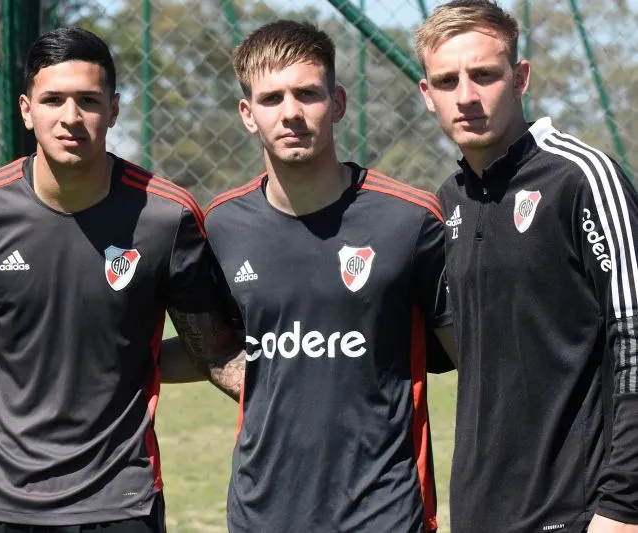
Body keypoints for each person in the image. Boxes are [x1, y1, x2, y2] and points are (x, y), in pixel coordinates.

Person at [0, 27, 234, 533]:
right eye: (53, 99)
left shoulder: (166, 217)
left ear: (114, 109)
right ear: (26, 109)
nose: (70, 117)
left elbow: (213, 352)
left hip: (121, 502)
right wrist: (0, 401)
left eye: (88, 100)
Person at [183, 19, 457, 533]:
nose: (290, 113)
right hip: (261, 513)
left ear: (337, 103)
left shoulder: (410, 220)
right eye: (271, 99)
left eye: (307, 93)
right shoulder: (221, 225)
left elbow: (474, 354)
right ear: (247, 114)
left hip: (386, 513)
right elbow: (213, 345)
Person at [416, 2, 638, 532]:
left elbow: (633, 337)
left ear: (520, 79)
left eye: (484, 75)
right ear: (428, 96)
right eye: (446, 81)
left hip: (580, 512)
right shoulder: (446, 202)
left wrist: (623, 506)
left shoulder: (581, 178)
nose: (466, 96)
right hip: (479, 512)